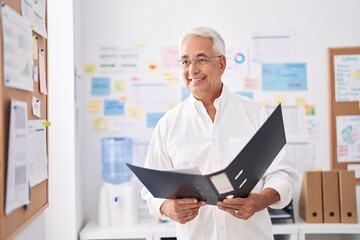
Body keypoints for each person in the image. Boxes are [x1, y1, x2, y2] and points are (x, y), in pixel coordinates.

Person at [141, 26, 298, 240]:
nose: (192, 70)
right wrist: (168, 207)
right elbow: (150, 190)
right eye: (185, 61)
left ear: (221, 63)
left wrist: (259, 200)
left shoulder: (254, 113)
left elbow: (283, 175)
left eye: (201, 60)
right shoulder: (168, 125)